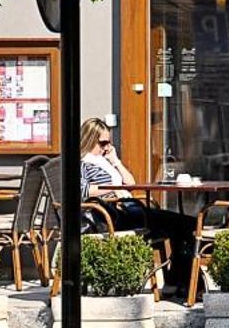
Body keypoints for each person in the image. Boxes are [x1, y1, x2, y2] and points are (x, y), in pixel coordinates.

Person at [78, 118, 195, 297]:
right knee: (185, 225)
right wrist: (112, 190)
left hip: (128, 208)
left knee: (184, 225)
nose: (106, 147)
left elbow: (130, 182)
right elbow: (82, 191)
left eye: (109, 142)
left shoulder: (104, 160)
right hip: (115, 215)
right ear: (89, 139)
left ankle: (178, 283)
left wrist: (115, 160)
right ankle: (181, 284)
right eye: (102, 143)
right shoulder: (83, 163)